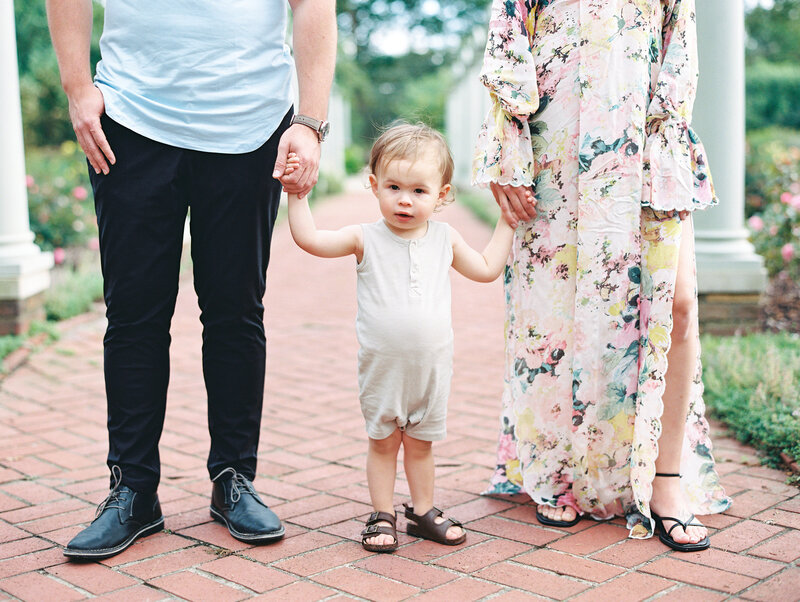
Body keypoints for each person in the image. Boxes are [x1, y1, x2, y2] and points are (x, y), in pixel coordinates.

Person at [47, 0, 336, 560]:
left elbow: (312, 5)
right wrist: (77, 87)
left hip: (250, 123)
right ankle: (132, 489)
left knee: (235, 312)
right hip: (130, 118)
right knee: (133, 314)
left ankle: (233, 479)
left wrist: (310, 121)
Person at [473, 0, 731, 552]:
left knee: (676, 306)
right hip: (554, 145)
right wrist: (508, 149)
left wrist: (665, 134)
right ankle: (557, 472)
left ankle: (666, 482)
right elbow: (507, 33)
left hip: (646, 138)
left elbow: (679, 42)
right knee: (553, 320)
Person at [286, 123, 515, 552]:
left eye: (419, 191)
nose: (405, 199)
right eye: (393, 186)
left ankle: (423, 510)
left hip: (432, 369)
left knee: (422, 445)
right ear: (374, 186)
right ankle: (383, 513)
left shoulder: (445, 238)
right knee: (384, 443)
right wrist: (297, 195)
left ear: (443, 195)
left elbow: (486, 269)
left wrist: (507, 222)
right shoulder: (364, 237)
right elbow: (311, 240)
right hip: (383, 368)